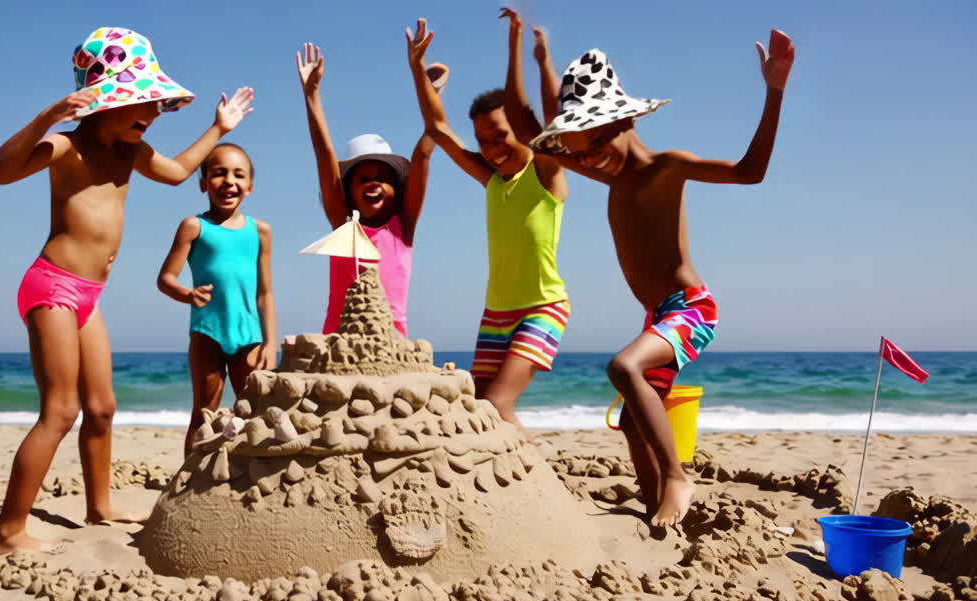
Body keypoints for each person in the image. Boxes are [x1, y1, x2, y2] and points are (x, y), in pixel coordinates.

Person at [0, 26, 254, 553]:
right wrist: (47, 117)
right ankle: (8, 530)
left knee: (103, 408)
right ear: (104, 102)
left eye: (154, 105)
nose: (151, 114)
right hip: (52, 287)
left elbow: (178, 173)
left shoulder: (133, 151)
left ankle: (98, 506)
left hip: (88, 296)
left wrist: (218, 129)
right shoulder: (66, 146)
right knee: (60, 411)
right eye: (141, 104)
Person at [524, 30, 795, 527]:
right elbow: (548, 132)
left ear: (626, 121)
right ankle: (655, 514)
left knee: (624, 368)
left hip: (691, 307)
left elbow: (749, 172)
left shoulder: (667, 169)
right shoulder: (609, 174)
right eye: (580, 153)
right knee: (631, 419)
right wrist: (541, 62)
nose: (588, 159)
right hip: (659, 314)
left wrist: (774, 91)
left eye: (597, 144)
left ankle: (677, 476)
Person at [405, 16, 570, 430]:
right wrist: (416, 70)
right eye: (482, 141)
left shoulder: (545, 172)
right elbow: (439, 130)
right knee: (478, 405)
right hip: (496, 314)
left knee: (498, 403)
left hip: (543, 307)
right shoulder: (493, 181)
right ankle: (516, 479)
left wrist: (517, 45)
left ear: (522, 130)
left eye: (500, 136)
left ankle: (536, 481)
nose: (491, 149)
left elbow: (544, 120)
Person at [296, 43, 444, 336]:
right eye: (362, 179)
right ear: (348, 191)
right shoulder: (344, 227)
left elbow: (424, 154)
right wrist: (312, 95)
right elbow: (324, 155)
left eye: (381, 178)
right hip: (340, 339)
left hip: (392, 343)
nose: (373, 183)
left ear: (397, 188)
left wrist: (431, 94)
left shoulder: (404, 226)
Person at [157, 144, 277, 455]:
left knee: (254, 410)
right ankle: (188, 478)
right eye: (218, 173)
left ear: (249, 186)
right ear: (203, 183)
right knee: (203, 411)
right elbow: (165, 279)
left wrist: (270, 341)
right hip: (207, 331)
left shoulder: (261, 231)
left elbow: (265, 292)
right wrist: (187, 294)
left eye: (239, 175)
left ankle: (248, 473)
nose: (229, 181)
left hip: (250, 335)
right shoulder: (194, 227)